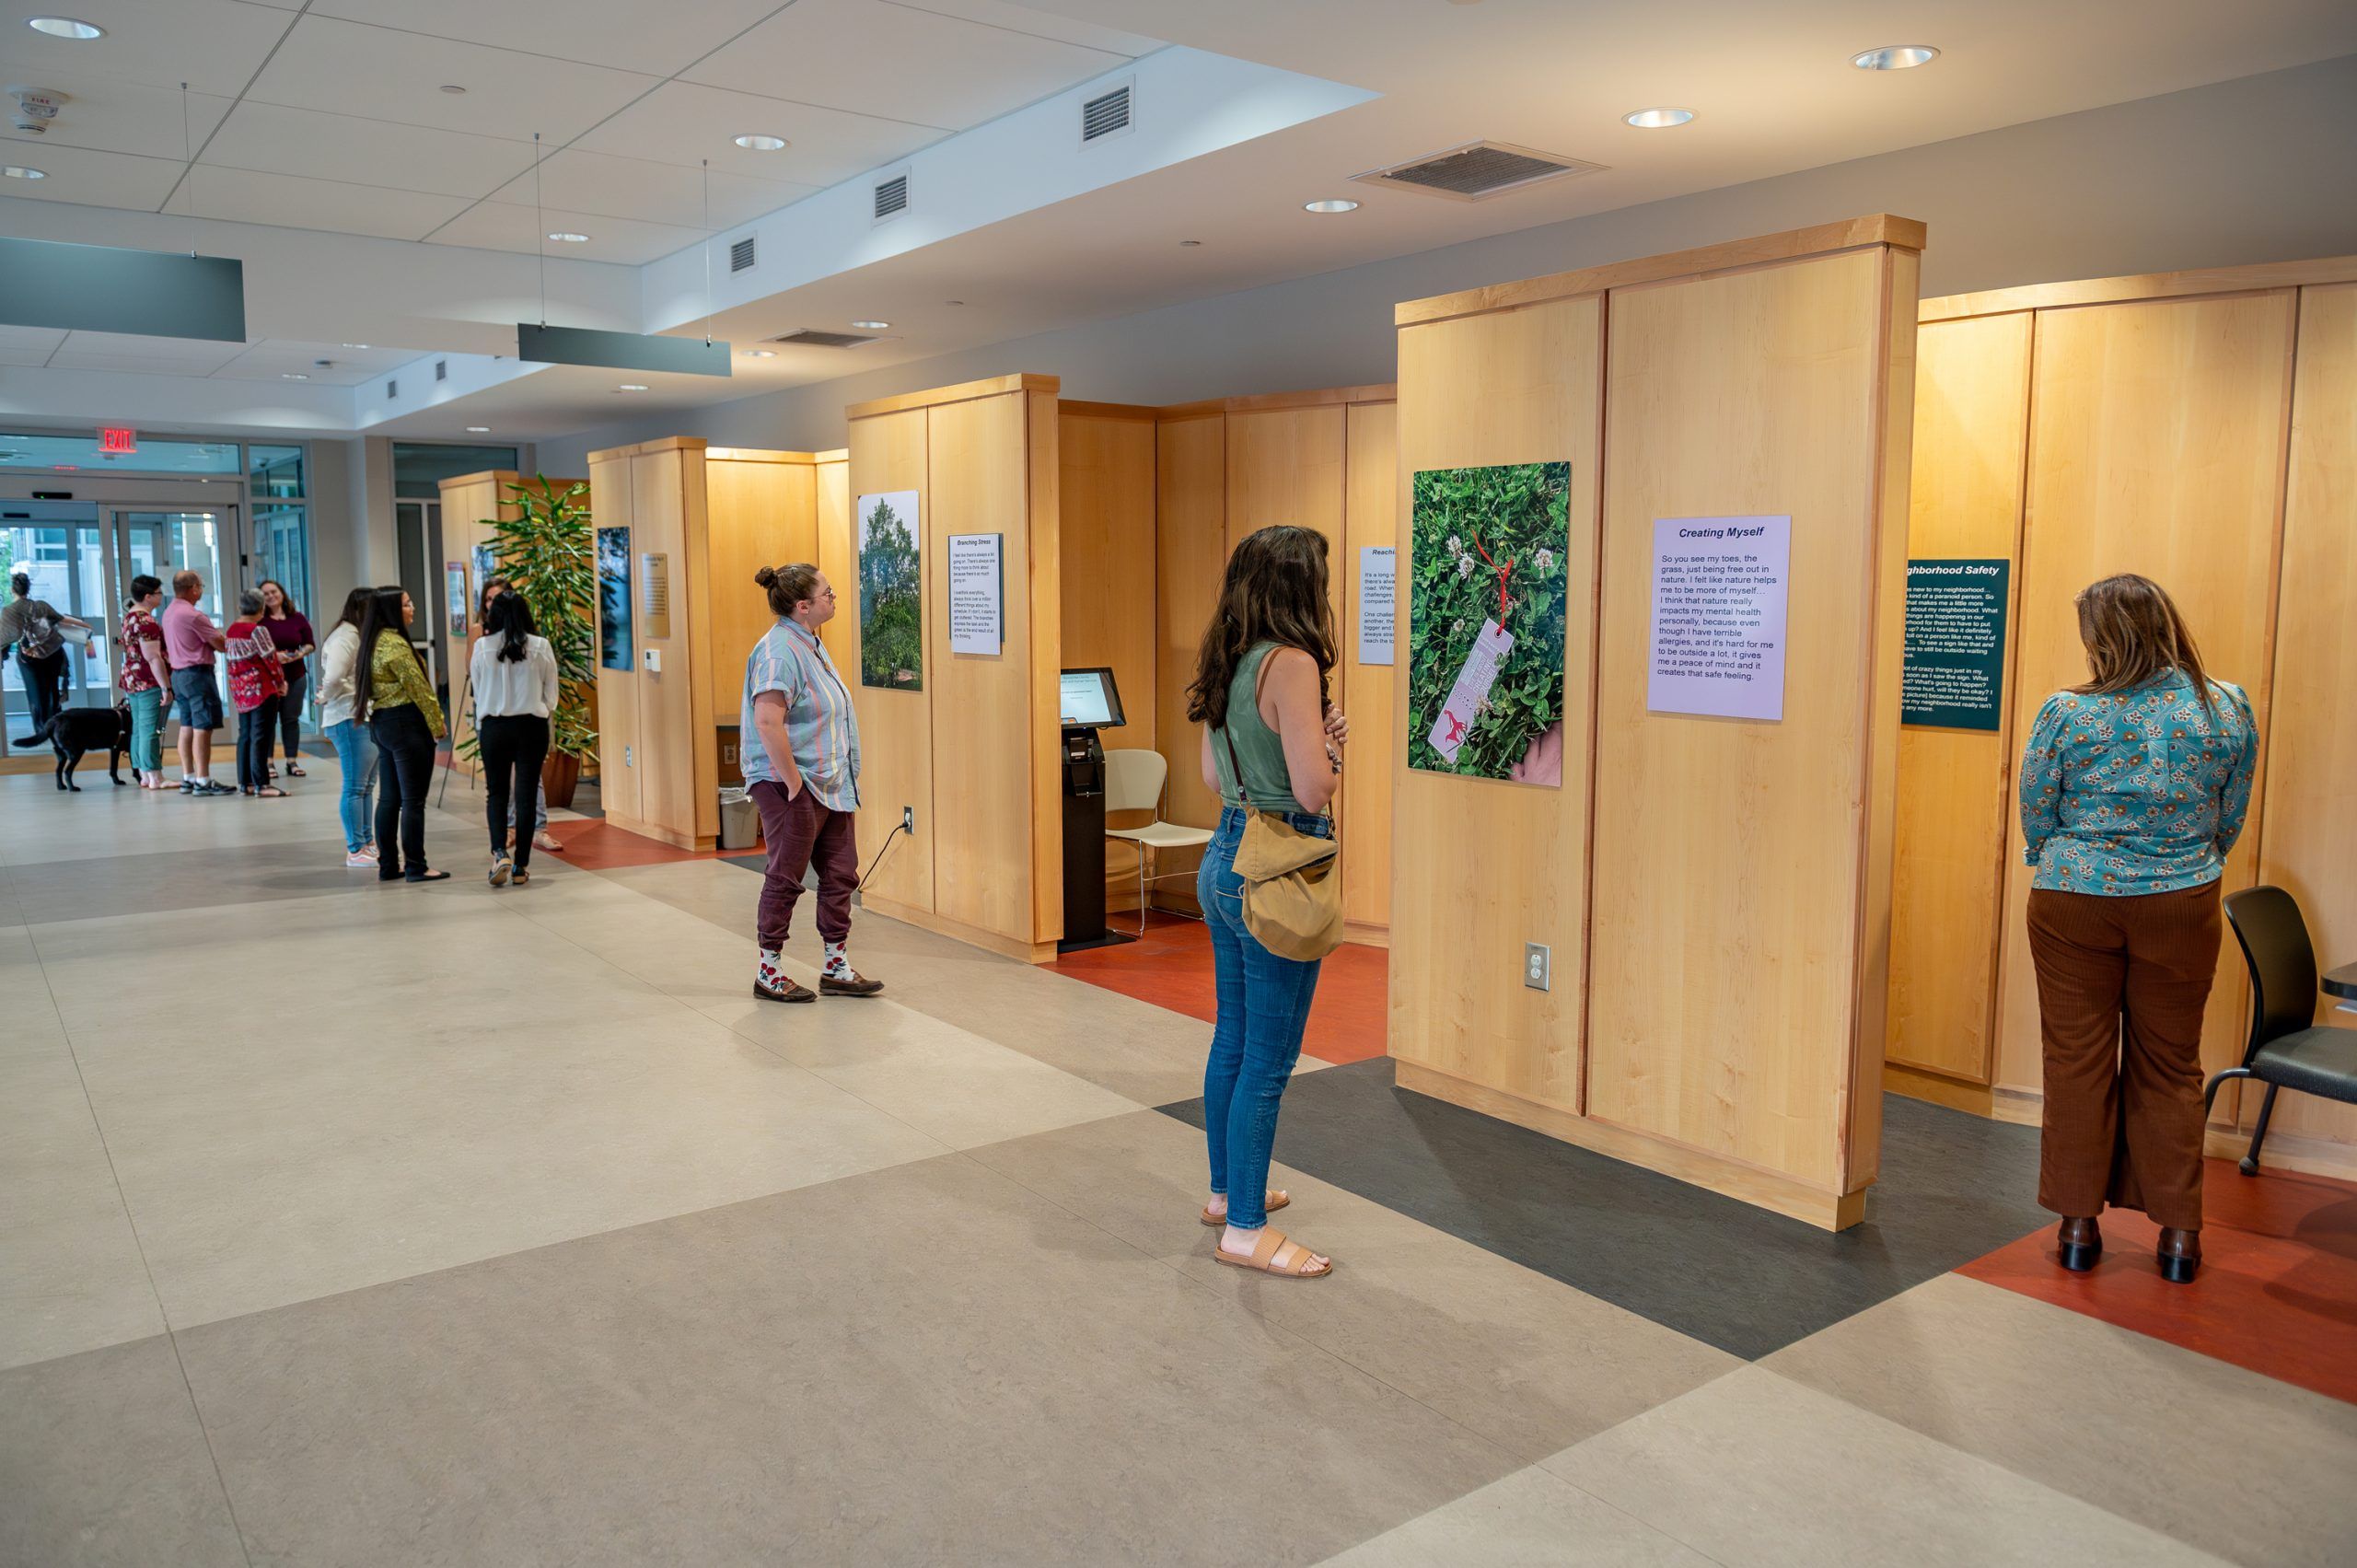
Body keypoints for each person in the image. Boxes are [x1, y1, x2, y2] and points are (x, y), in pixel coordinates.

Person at [2020, 574, 2259, 1286]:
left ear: (2104, 638)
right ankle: (2181, 1236)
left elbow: (2038, 805)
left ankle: (2076, 1227)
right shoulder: (2225, 706)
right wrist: (2187, 859)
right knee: (2171, 1062)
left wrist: (2063, 856)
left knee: (2075, 1059)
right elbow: (2231, 807)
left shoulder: (2066, 712)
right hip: (2182, 900)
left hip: (2073, 902)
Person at [1186, 525, 1350, 1280]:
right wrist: (1329, 750)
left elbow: (1216, 782)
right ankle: (1246, 1231)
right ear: (1299, 584)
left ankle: (1227, 1195)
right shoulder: (1295, 662)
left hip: (1223, 857)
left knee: (1233, 1038)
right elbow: (1313, 789)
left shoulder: (1229, 658)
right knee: (1270, 1060)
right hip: (1277, 869)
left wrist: (1311, 739)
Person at [741, 563, 882, 1003]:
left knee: (841, 874)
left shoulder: (811, 644)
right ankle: (769, 971)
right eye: (828, 593)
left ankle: (835, 965)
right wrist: (794, 786)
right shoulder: (780, 651)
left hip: (831, 782)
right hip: (792, 783)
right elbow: (767, 721)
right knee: (786, 877)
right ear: (803, 606)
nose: (834, 598)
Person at [354, 586, 449, 883]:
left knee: (390, 799)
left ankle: (388, 865)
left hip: (382, 723)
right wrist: (438, 724)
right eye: (407, 604)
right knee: (412, 801)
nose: (413, 608)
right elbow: (420, 689)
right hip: (406, 723)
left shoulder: (373, 641)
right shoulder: (395, 645)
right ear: (394, 610)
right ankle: (416, 866)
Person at [470, 592, 558, 888]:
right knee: (526, 794)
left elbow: (478, 691)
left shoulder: (482, 647)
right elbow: (552, 695)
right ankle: (521, 865)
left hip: (494, 727)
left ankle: (499, 854)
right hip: (531, 727)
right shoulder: (541, 646)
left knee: (496, 793)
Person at [315, 587, 379, 866]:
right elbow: (335, 677)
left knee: (366, 786)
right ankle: (356, 848)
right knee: (356, 786)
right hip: (347, 717)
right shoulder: (347, 636)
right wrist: (323, 697)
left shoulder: (355, 635)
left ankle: (367, 841)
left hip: (359, 715)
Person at [159, 570, 234, 795]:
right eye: (200, 586)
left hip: (179, 675)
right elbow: (221, 645)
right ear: (193, 589)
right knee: (203, 726)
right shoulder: (194, 615)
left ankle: (188, 777)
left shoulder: (169, 612)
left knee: (187, 725)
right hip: (197, 675)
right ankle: (203, 781)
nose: (202, 590)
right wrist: (220, 637)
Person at [4, 570, 89, 747]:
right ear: (28, 589)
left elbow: (6, 637)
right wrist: (82, 626)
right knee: (51, 690)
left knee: (35, 694)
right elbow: (60, 620)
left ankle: (41, 730)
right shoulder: (41, 606)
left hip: (29, 656)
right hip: (51, 653)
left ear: (13, 590)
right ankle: (55, 727)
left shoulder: (9, 611)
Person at [223, 590, 288, 797]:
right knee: (261, 736)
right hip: (261, 690)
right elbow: (271, 660)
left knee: (246, 735)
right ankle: (263, 784)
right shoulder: (257, 631)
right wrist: (280, 682)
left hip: (241, 691)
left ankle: (246, 782)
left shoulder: (232, 630)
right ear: (261, 609)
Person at [116, 575, 172, 788]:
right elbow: (153, 657)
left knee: (139, 728)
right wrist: (165, 687)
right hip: (147, 680)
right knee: (150, 728)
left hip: (132, 678)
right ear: (148, 596)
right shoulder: (146, 621)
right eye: (158, 593)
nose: (161, 596)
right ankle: (156, 777)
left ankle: (144, 774)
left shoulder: (129, 617)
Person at [260, 579, 315, 778]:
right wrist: (275, 657)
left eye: (274, 591)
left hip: (296, 675)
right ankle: (268, 762)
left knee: (291, 719)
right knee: (268, 720)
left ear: (281, 592)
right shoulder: (260, 620)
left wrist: (300, 654)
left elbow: (310, 644)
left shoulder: (297, 618)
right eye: (265, 594)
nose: (271, 596)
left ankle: (291, 761)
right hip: (269, 677)